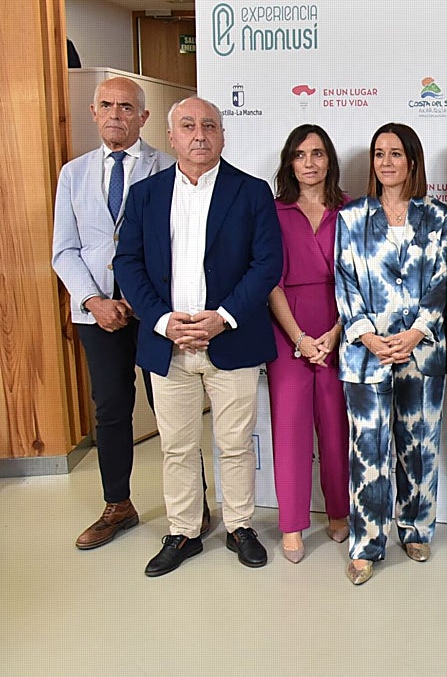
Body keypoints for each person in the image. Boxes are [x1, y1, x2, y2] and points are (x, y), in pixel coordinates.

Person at [114, 96, 282, 577]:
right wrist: (163, 321)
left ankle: (240, 526)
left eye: (209, 125)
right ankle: (184, 531)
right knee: (177, 445)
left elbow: (267, 263)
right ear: (172, 137)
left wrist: (223, 316)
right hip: (168, 344)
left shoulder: (251, 192)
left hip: (231, 338)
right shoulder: (145, 195)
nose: (199, 134)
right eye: (188, 125)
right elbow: (128, 263)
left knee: (234, 442)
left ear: (223, 135)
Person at [52, 77, 210, 549]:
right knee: (111, 410)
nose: (115, 114)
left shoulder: (172, 169)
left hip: (157, 314)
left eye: (126, 106)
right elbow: (65, 250)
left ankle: (193, 505)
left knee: (176, 411)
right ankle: (117, 505)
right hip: (97, 313)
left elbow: (180, 248)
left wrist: (143, 302)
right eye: (107, 105)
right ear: (93, 112)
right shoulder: (73, 174)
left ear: (144, 117)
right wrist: (94, 301)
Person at [335, 123, 447, 585]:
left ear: (412, 161)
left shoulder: (436, 217)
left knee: (419, 446)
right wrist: (367, 336)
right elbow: (344, 281)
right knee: (369, 451)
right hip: (366, 355)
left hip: (422, 354)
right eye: (379, 154)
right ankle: (366, 545)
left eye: (395, 154)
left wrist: (417, 333)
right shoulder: (351, 217)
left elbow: (442, 281)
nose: (386, 162)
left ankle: (416, 527)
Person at [265, 124, 351, 564]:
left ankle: (340, 511)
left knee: (337, 426)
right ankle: (293, 525)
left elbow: (359, 281)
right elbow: (270, 283)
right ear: (290, 163)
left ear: (329, 160)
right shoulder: (273, 212)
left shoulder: (352, 211)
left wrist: (335, 333)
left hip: (341, 326)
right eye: (300, 155)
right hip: (288, 329)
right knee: (291, 428)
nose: (310, 163)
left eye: (318, 153)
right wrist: (299, 337)